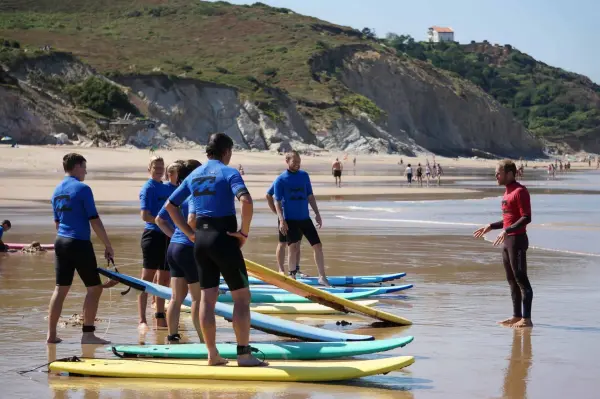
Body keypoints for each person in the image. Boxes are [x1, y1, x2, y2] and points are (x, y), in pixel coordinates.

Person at [165, 133, 267, 367]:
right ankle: (243, 355)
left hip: (200, 241)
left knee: (206, 300)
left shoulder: (194, 175)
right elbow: (247, 201)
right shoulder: (228, 172)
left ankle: (212, 354)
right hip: (224, 239)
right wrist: (244, 232)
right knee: (242, 298)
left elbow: (170, 206)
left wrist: (190, 234)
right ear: (226, 151)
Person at [48, 153, 116, 344]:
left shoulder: (56, 191)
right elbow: (94, 219)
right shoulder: (83, 189)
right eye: (84, 167)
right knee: (94, 289)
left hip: (60, 241)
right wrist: (108, 245)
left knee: (60, 290)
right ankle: (88, 335)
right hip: (78, 242)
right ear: (77, 166)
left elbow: (57, 223)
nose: (86, 171)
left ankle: (51, 335)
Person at [473, 159, 533, 329]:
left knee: (521, 279)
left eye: (498, 173)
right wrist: (491, 226)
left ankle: (527, 319)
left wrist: (507, 230)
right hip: (507, 241)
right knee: (511, 280)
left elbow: (526, 217)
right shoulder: (507, 193)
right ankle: (516, 316)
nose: (496, 176)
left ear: (509, 173)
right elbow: (508, 219)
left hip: (517, 240)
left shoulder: (520, 191)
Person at [156, 159, 202, 343]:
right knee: (198, 299)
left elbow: (160, 219)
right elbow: (192, 218)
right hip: (189, 250)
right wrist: (191, 234)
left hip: (174, 247)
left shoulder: (177, 194)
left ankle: (172, 336)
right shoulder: (194, 194)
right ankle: (204, 339)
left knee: (176, 297)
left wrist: (176, 235)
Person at [274, 151, 330, 286]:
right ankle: (292, 277)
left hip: (305, 218)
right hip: (290, 219)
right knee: (292, 247)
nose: (297, 165)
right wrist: (281, 220)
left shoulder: (304, 176)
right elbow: (277, 201)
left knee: (318, 245)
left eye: (299, 162)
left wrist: (317, 213)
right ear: (287, 161)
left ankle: (322, 277)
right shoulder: (280, 179)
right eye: (294, 162)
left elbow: (310, 196)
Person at [138, 156, 171, 331]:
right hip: (152, 236)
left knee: (164, 281)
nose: (159, 169)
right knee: (147, 279)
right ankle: (142, 319)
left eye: (161, 167)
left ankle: (159, 316)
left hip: (167, 237)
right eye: (155, 167)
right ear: (149, 169)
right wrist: (162, 223)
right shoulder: (148, 188)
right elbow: (145, 215)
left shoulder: (166, 187)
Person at [266, 183, 303, 277]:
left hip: (300, 215)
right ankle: (281, 269)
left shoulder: (301, 177)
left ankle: (296, 269)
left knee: (297, 243)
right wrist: (276, 212)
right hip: (285, 216)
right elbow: (268, 195)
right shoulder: (282, 179)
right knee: (282, 243)